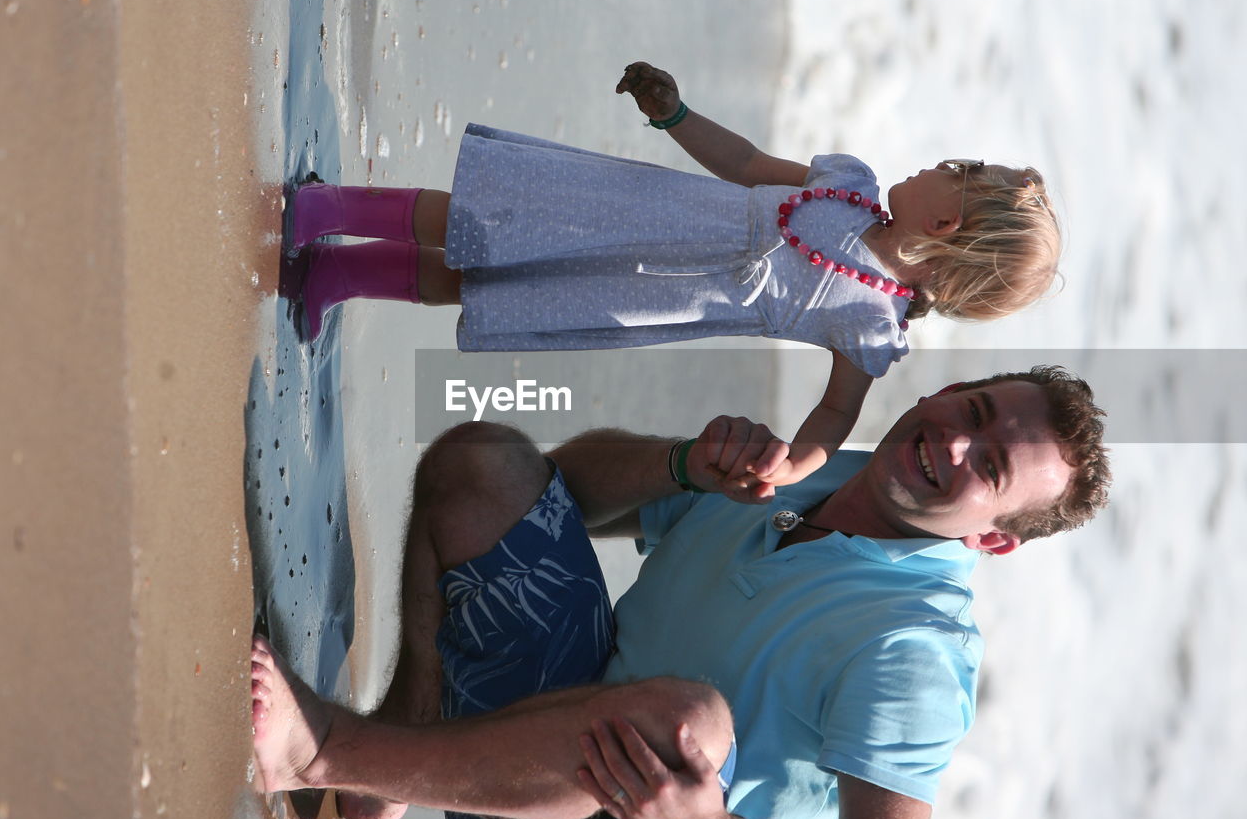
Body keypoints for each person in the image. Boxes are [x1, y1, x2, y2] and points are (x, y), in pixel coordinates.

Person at [250, 365, 1110, 819]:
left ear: (991, 537)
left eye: (990, 466)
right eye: (978, 409)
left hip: (632, 807)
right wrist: (682, 463)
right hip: (529, 749)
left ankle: (323, 753)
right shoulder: (809, 474)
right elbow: (563, 494)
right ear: (945, 390)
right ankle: (390, 772)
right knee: (484, 465)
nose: (958, 442)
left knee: (682, 723)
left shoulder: (915, 651)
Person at [281, 61, 1062, 489]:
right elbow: (749, 164)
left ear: (946, 224)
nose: (936, 163)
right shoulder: (847, 187)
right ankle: (329, 206)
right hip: (632, 211)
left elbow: (834, 415)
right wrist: (676, 115)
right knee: (484, 219)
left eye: (957, 170)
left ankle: (340, 275)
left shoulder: (872, 325)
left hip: (641, 298)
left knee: (487, 284)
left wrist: (792, 465)